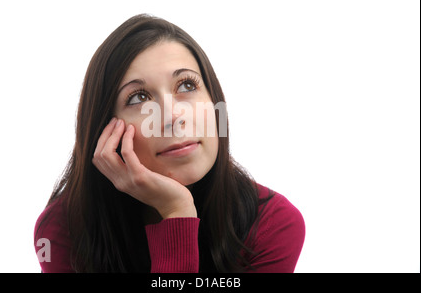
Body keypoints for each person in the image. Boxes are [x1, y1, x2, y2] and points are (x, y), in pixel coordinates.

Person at [33, 14, 305, 273]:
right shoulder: (62, 229)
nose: (173, 116)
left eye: (186, 86)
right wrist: (177, 213)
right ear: (105, 130)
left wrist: (176, 213)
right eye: (139, 97)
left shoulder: (273, 223)